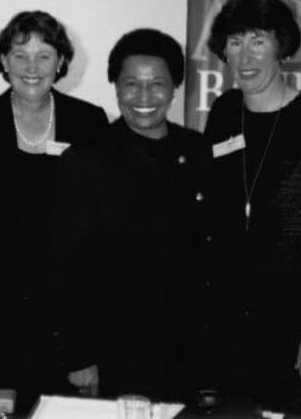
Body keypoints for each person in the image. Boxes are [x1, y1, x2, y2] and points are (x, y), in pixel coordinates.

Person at [0, 10, 109, 402]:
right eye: (19, 55)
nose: (32, 68)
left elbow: (99, 239)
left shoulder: (89, 123)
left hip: (64, 316)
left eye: (45, 55)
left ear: (61, 61)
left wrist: (87, 341)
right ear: (3, 62)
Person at [204, 0, 301, 413]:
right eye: (234, 42)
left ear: (281, 46)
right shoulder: (223, 111)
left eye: (257, 39)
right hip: (226, 307)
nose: (244, 54)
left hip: (292, 309)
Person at [51, 28, 216, 401]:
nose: (144, 97)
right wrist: (79, 356)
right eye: (131, 84)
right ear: (115, 87)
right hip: (112, 351)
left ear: (176, 87)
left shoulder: (197, 150)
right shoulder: (85, 159)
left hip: (184, 346)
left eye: (157, 84)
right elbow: (66, 268)